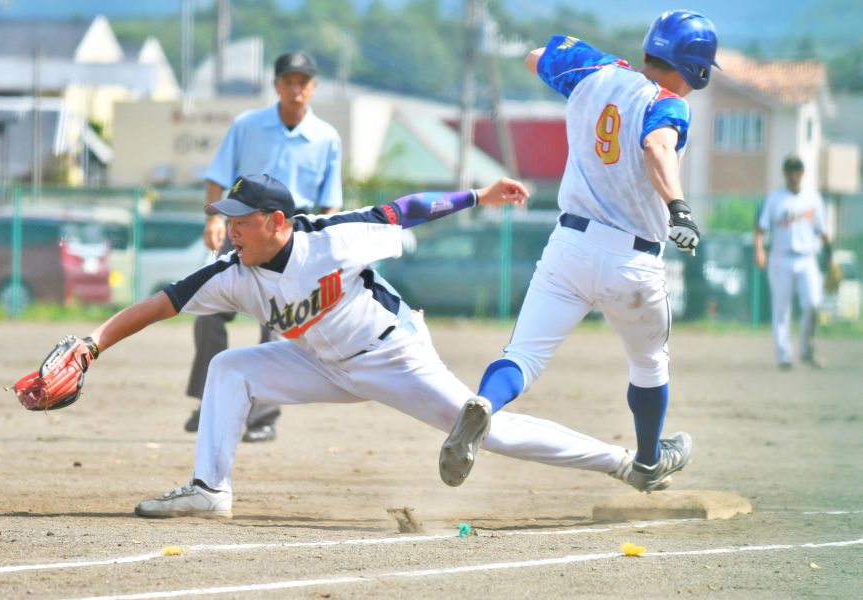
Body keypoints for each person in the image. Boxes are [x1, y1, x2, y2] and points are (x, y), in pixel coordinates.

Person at [52, 173, 649, 518]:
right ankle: (211, 489)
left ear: (277, 220)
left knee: (490, 430)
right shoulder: (232, 271)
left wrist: (478, 196)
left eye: (242, 218)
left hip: (395, 356)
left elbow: (405, 210)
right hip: (319, 363)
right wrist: (93, 344)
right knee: (231, 367)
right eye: (228, 218)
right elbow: (162, 303)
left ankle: (625, 463)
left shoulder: (332, 240)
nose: (231, 227)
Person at [439, 10, 719, 492]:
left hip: (569, 245)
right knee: (649, 363)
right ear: (696, 68)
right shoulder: (670, 103)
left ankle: (485, 402)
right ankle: (650, 461)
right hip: (633, 262)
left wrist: (582, 86)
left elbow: (534, 58)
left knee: (522, 356)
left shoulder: (596, 70)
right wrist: (679, 209)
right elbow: (656, 145)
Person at [187, 50, 343, 443]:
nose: (295, 89)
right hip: (241, 231)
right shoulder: (248, 125)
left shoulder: (326, 137)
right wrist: (212, 219)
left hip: (293, 240)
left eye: (303, 82)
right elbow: (218, 174)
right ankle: (211, 400)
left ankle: (263, 416)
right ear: (275, 85)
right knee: (208, 310)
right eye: (288, 81)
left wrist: (327, 245)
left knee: (280, 325)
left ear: (313, 87)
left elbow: (331, 202)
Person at [754, 154, 831, 370]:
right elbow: (760, 228)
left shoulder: (813, 199)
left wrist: (831, 256)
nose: (793, 173)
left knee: (813, 304)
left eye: (796, 169)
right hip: (780, 257)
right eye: (789, 169)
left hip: (807, 258)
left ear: (802, 172)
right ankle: (784, 356)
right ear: (784, 173)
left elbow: (823, 231)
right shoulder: (775, 198)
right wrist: (759, 250)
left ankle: (807, 350)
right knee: (781, 309)